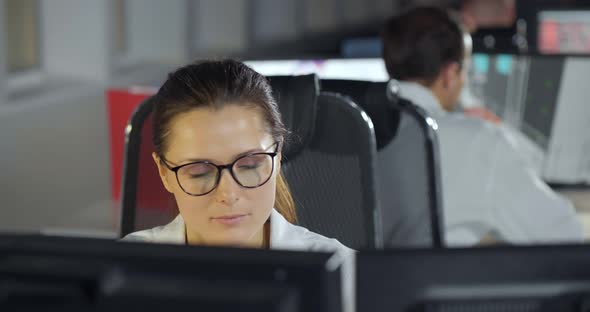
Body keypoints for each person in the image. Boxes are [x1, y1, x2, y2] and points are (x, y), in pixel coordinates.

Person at [121, 60, 354, 311]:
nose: (228, 194)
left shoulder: (344, 274)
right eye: (200, 172)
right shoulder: (122, 272)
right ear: (164, 173)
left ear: (277, 157)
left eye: (250, 165)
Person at [382, 7, 584, 246]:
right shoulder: (479, 141)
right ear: (449, 74)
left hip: (365, 280)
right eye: (465, 70)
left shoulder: (355, 133)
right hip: (442, 280)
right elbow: (565, 234)